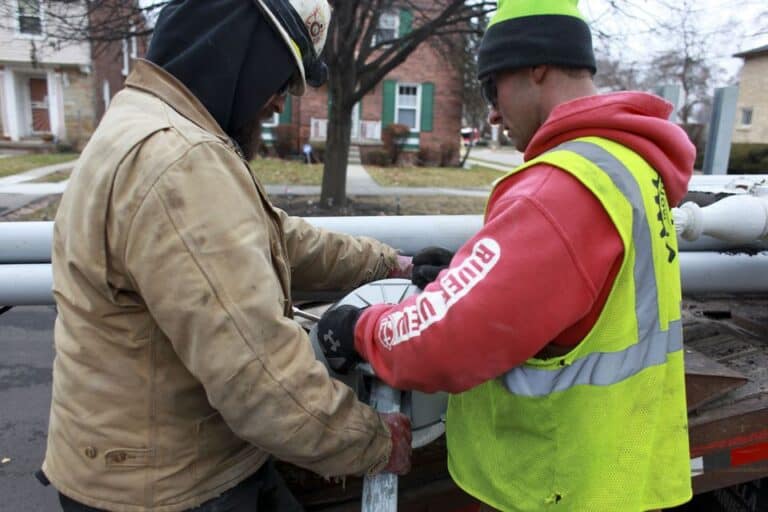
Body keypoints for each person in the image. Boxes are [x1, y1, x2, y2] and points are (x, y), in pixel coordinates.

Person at [317, 0, 695, 510]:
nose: (492, 112)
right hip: (624, 471)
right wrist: (464, 279)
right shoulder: (628, 166)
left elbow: (443, 343)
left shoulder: (562, 189)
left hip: (558, 486)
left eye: (492, 86)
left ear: (536, 67)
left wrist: (361, 330)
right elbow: (582, 300)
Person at [40, 1, 415, 511]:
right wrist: (375, 442)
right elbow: (263, 383)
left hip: (128, 467)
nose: (280, 104)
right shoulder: (181, 162)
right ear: (245, 53)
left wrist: (385, 262)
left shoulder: (142, 122)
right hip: (175, 489)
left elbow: (276, 238)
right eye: (283, 80)